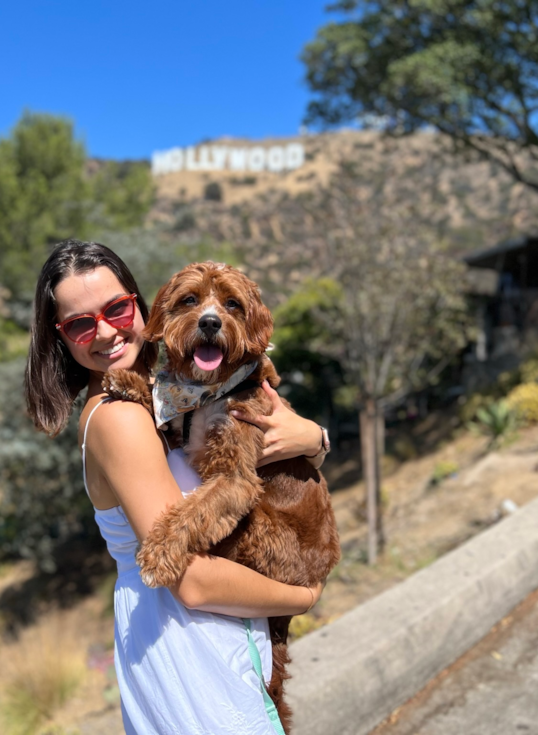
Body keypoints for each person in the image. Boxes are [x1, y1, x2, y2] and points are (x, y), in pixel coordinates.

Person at [25, 240, 330, 734]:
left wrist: (314, 439)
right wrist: (305, 598)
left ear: (143, 307)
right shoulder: (120, 418)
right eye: (80, 323)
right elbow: (191, 581)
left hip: (211, 629)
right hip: (189, 644)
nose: (104, 331)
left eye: (117, 309)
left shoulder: (172, 392)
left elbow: (272, 454)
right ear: (60, 337)